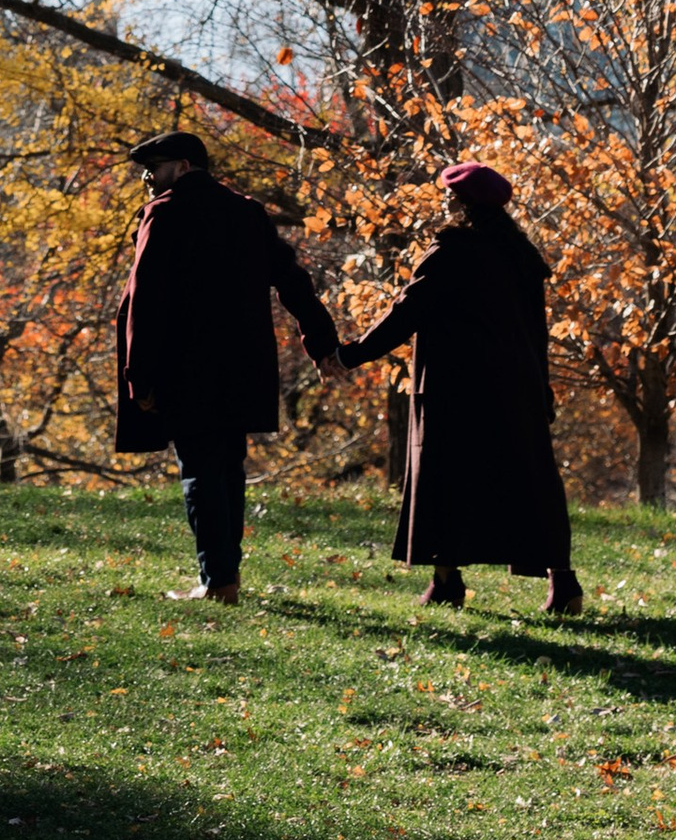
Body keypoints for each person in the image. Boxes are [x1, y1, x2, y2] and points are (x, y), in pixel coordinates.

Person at [113, 129, 348, 605]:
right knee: (228, 470)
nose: (147, 179)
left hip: (185, 368)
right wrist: (323, 343)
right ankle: (226, 576)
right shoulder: (247, 212)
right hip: (243, 366)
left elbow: (145, 299)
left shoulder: (164, 212)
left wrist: (139, 374)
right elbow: (292, 280)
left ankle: (217, 581)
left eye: (154, 169)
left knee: (200, 471)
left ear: (183, 167)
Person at [343, 158, 584, 618]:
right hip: (518, 385)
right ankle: (564, 583)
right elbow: (537, 331)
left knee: (445, 478)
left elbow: (406, 312)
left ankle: (447, 582)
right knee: (531, 481)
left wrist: (349, 355)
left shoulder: (451, 251)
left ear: (459, 204)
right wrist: (543, 388)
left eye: (447, 199)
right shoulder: (522, 255)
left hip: (457, 386)